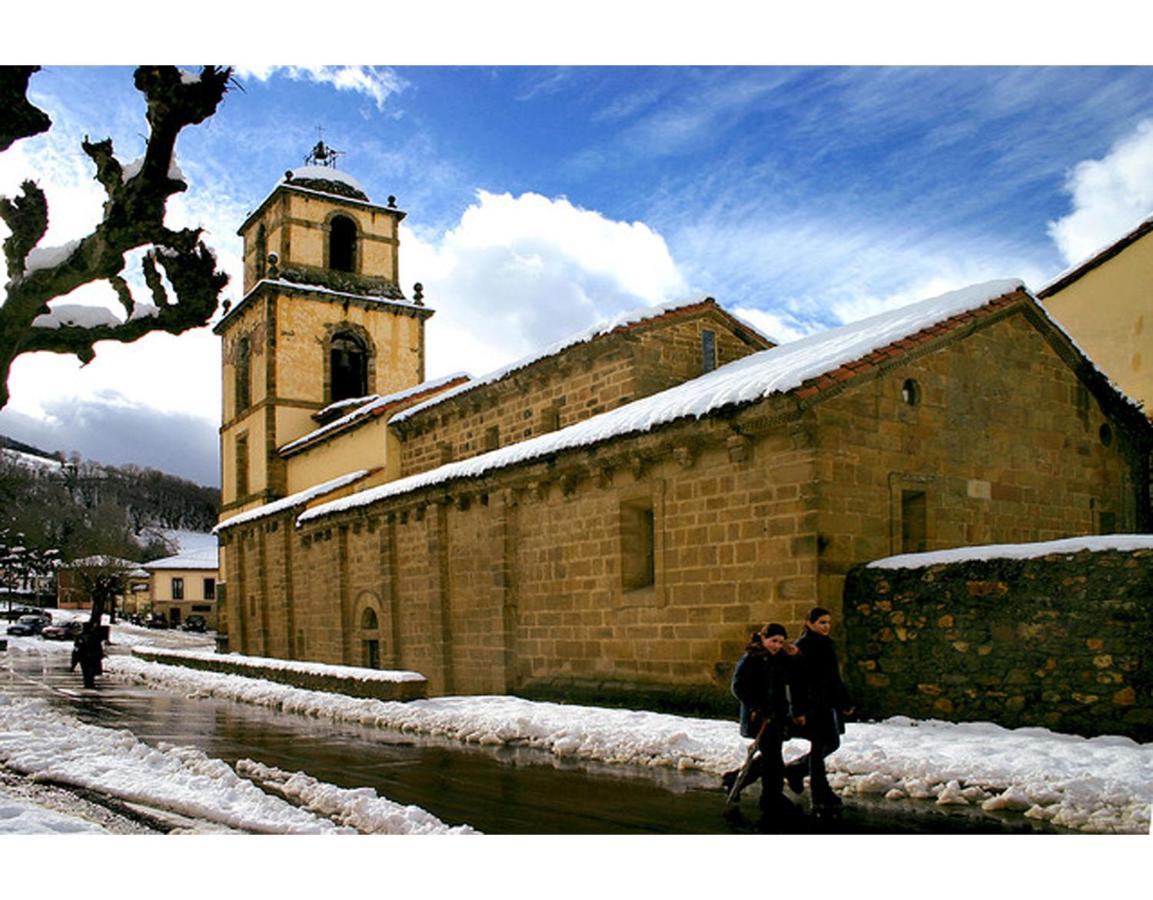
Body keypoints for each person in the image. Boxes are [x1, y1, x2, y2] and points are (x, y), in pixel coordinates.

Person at [722, 623, 798, 816]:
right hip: (760, 717)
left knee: (770, 756)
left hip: (777, 715)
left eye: (780, 642)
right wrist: (757, 707)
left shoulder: (780, 658)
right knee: (773, 758)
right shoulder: (751, 658)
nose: (777, 645)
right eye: (773, 641)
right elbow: (738, 687)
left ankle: (733, 779)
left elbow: (792, 676)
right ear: (763, 639)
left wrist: (795, 655)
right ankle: (771, 798)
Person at [784, 607, 854, 814]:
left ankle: (797, 770)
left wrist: (844, 702)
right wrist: (798, 710)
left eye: (828, 622)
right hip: (812, 704)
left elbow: (833, 678)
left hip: (826, 702)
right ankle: (819, 791)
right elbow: (796, 682)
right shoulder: (804, 646)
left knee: (829, 743)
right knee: (822, 745)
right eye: (822, 622)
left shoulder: (825, 645)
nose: (826, 626)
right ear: (810, 623)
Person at [73, 622, 104, 689]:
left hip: (84, 657)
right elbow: (98, 647)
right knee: (91, 671)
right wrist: (100, 655)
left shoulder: (80, 637)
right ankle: (90, 683)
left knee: (86, 671)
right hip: (92, 657)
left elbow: (77, 648)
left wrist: (75, 659)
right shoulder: (95, 636)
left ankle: (87, 683)